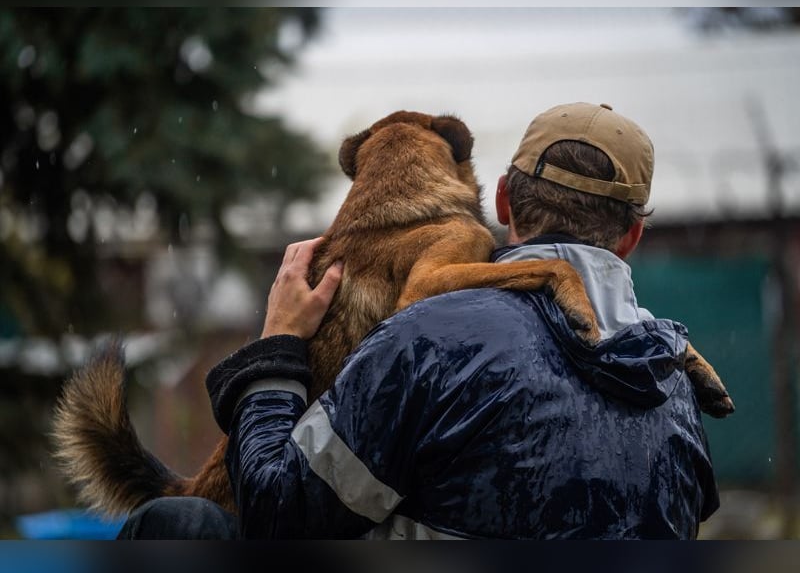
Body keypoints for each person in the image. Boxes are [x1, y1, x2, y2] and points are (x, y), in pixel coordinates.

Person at [118, 102, 719, 540]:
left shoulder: (430, 339)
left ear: (504, 200)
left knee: (180, 524)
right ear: (634, 235)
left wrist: (276, 351)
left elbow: (279, 514)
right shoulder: (679, 391)